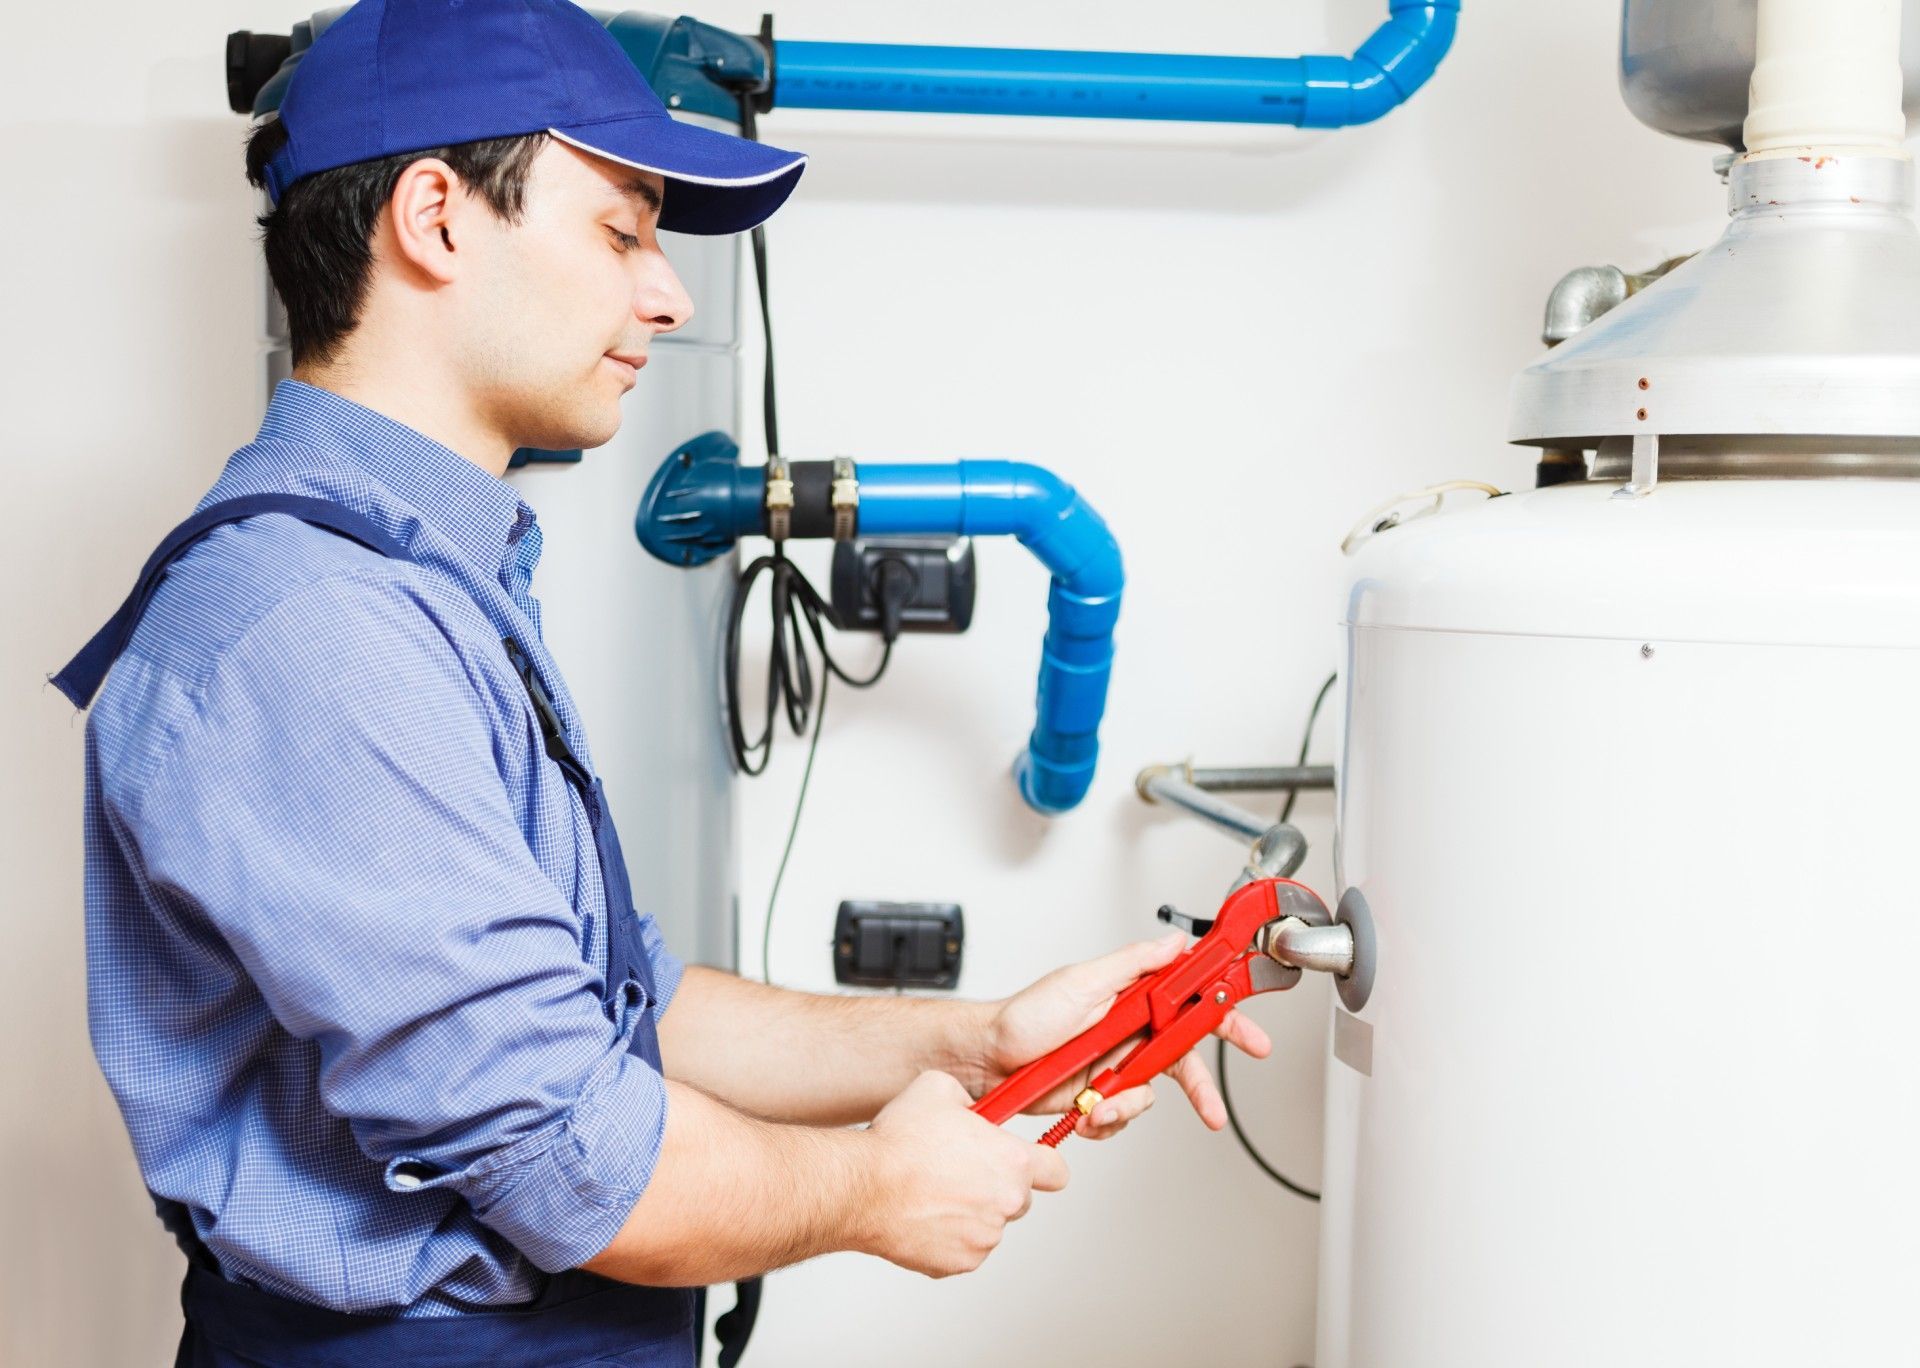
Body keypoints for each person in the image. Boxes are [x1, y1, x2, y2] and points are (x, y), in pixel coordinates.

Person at [53, 1, 1271, 1363]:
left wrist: (978, 1041)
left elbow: (629, 1009)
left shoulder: (427, 581)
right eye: (622, 231)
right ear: (437, 218)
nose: (670, 292)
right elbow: (576, 1161)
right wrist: (877, 1185)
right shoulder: (314, 629)